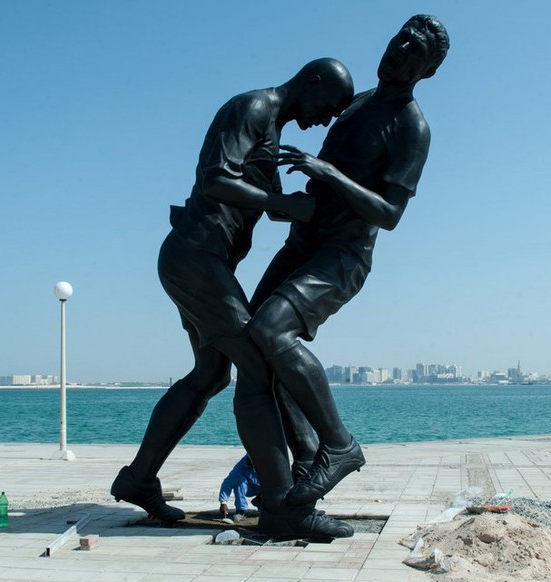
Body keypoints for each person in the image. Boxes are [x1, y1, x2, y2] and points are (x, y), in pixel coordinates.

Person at [111, 58, 356, 539]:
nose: (325, 119)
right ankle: (284, 507)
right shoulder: (252, 107)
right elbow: (216, 179)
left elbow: (271, 205)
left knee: (210, 374)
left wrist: (328, 187)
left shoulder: (272, 132)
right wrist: (283, 204)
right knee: (258, 363)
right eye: (329, 107)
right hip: (194, 259)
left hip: (205, 263)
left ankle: (138, 479)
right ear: (312, 83)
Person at [247, 14, 450, 506]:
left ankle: (339, 445)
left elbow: (390, 213)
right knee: (252, 344)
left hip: (342, 256)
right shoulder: (357, 104)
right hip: (302, 244)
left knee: (272, 331)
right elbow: (321, 184)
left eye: (414, 51)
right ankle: (306, 462)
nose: (400, 50)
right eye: (401, 38)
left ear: (426, 70)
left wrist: (329, 174)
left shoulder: (411, 127)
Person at [218, 454, 261, 520]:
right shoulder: (241, 466)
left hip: (266, 489)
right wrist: (223, 502)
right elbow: (228, 483)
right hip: (250, 488)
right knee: (239, 481)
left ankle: (260, 501)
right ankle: (240, 510)